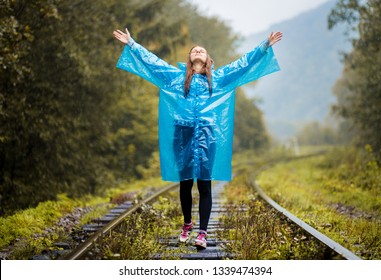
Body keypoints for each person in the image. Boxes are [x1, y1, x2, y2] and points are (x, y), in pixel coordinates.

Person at [113, 28, 282, 249]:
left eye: (201, 50)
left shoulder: (219, 79)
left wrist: (264, 46)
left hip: (207, 135)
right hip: (182, 133)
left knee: (204, 185)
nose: (198, 51)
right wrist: (132, 44)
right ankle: (187, 224)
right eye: (195, 50)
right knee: (185, 184)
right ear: (190, 58)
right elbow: (153, 62)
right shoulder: (175, 77)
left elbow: (243, 64)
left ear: (208, 59)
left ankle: (202, 233)